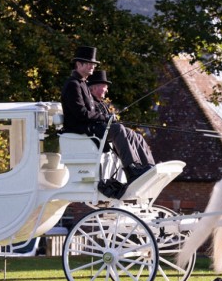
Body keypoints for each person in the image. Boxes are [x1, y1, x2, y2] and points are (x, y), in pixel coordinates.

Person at [60, 46, 155, 184]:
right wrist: (106, 118)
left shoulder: (82, 84)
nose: (93, 66)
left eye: (94, 64)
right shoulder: (73, 84)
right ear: (79, 64)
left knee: (132, 133)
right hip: (81, 129)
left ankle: (147, 166)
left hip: (90, 127)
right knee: (118, 130)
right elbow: (81, 113)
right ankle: (132, 170)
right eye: (89, 63)